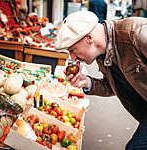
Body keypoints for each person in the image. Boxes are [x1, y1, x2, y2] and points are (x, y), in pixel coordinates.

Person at [55, 10, 147, 150]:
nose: (73, 58)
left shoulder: (137, 33)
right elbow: (114, 86)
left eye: (73, 49)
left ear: (89, 38)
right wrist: (87, 82)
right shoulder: (101, 54)